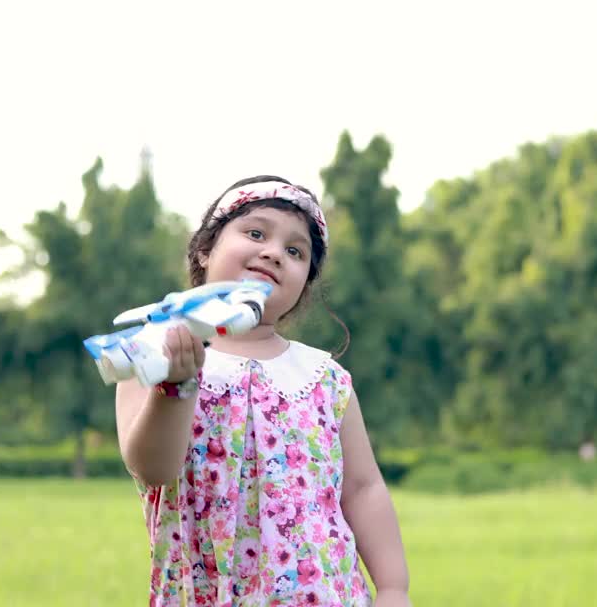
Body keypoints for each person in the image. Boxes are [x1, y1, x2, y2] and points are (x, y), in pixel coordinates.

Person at [115, 175, 411, 607]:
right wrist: (176, 388)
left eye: (295, 251)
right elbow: (151, 469)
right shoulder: (156, 351)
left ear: (304, 284)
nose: (274, 252)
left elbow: (363, 488)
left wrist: (392, 588)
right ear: (205, 249)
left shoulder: (323, 378)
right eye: (255, 233)